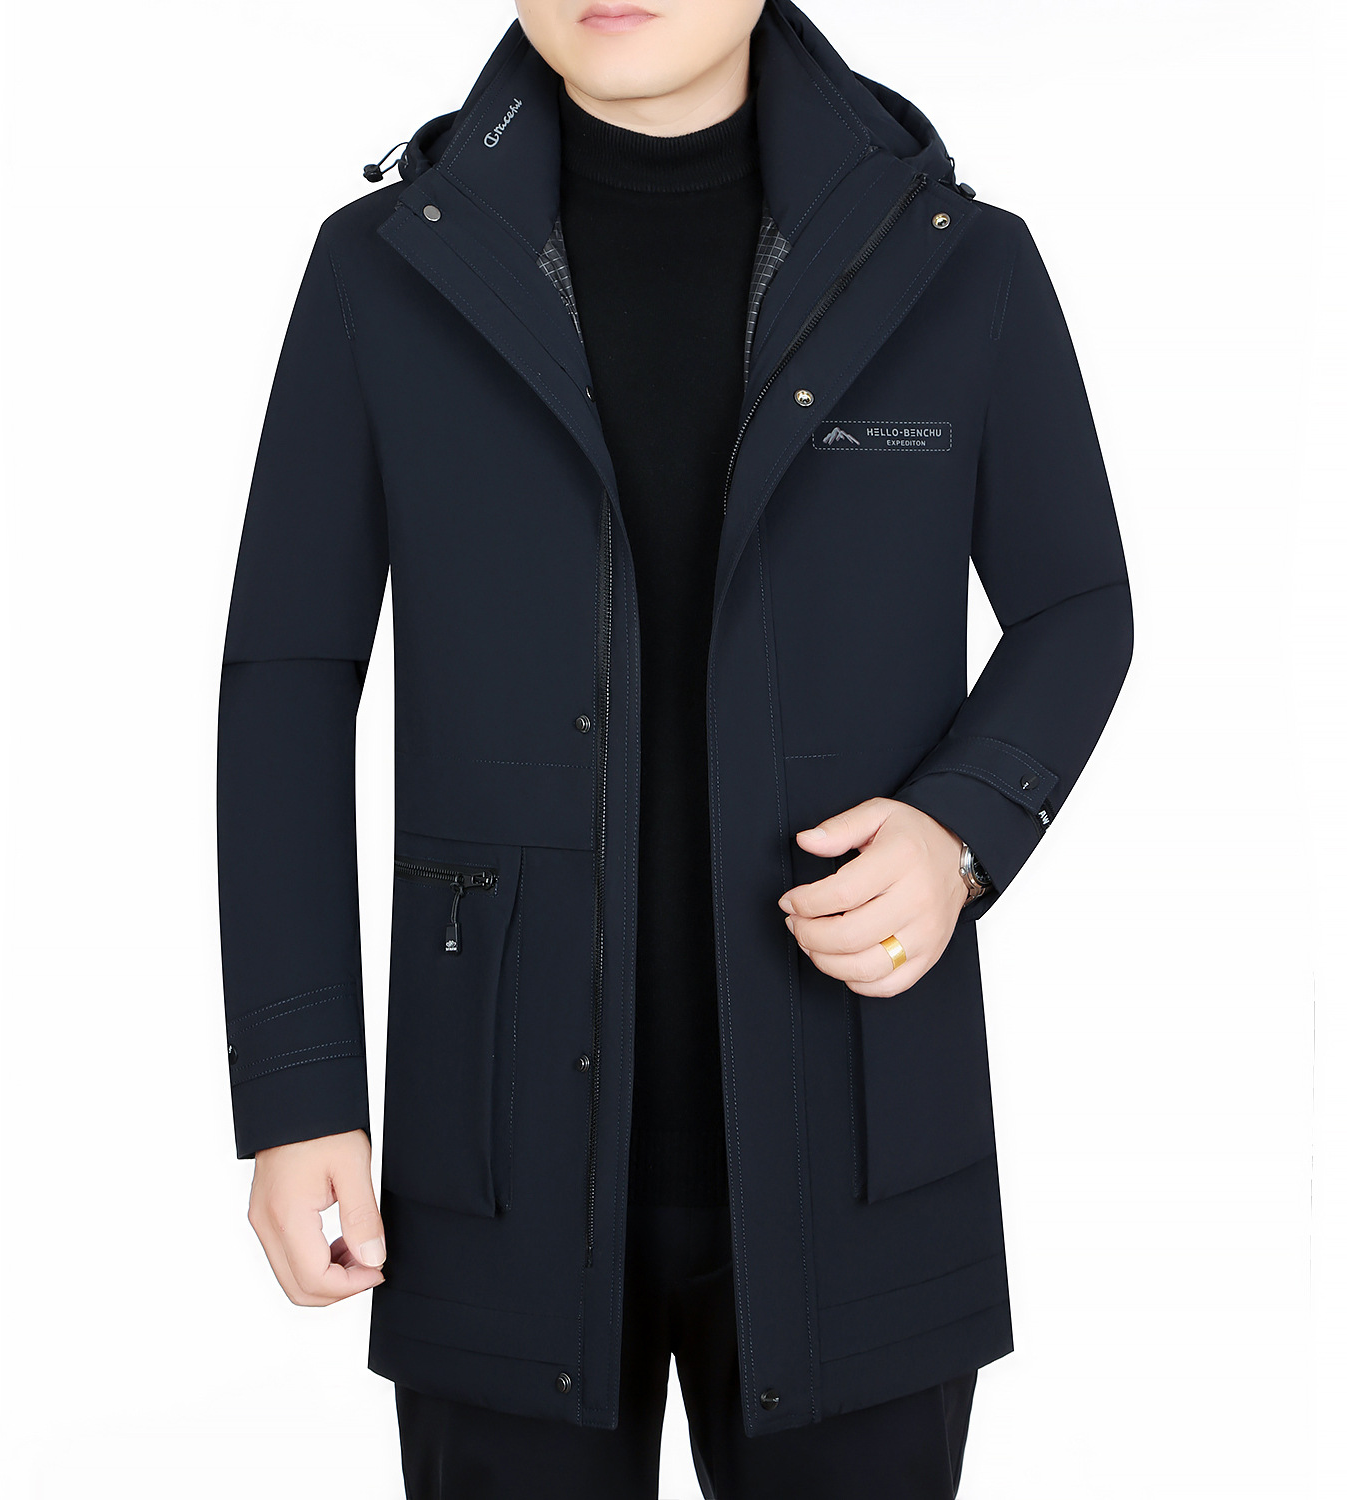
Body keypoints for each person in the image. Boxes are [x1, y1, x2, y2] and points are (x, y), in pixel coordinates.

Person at [216, 0, 1133, 1494]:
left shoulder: (956, 260)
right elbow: (289, 681)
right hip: (493, 1159)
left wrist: (964, 828)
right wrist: (299, 1087)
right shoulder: (385, 268)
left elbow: (1077, 604)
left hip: (862, 1144)